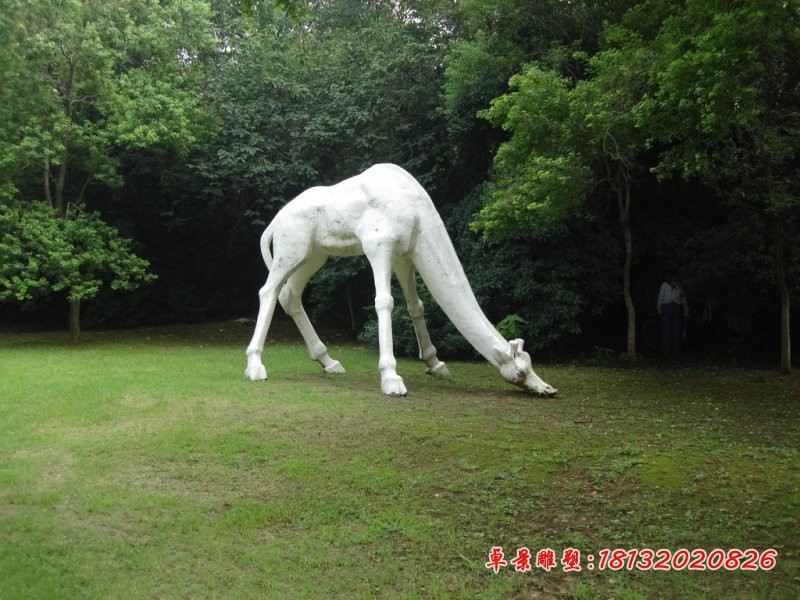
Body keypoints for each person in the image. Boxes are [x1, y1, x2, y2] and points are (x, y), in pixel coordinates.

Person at [657, 279, 689, 357]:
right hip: (677, 308)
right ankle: (675, 351)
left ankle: (666, 351)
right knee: (676, 330)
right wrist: (686, 312)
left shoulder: (664, 284)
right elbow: (683, 299)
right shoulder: (680, 285)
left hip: (667, 308)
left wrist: (659, 309)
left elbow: (661, 297)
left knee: (666, 330)